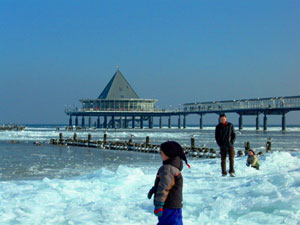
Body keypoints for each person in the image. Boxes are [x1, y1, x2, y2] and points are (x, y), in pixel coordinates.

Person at [147, 141, 190, 225]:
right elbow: (166, 183)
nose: (160, 154)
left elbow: (164, 187)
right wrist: (154, 189)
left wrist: (159, 204)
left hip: (168, 205)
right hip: (174, 205)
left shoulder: (168, 169)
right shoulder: (172, 167)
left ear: (168, 154)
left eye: (161, 152)